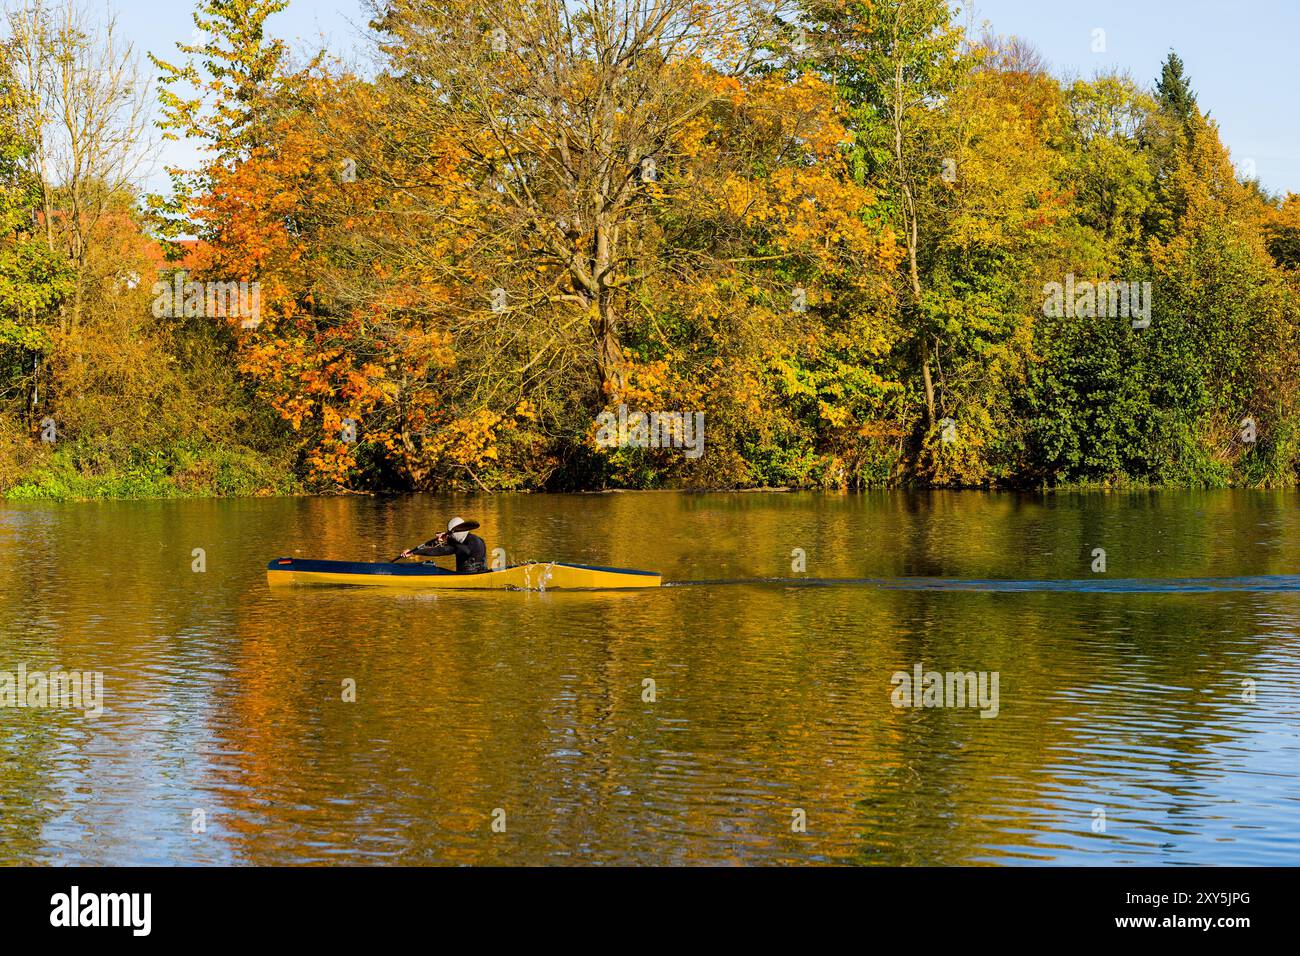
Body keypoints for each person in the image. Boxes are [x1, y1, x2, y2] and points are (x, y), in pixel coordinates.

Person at [401, 517, 488, 573]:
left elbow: (464, 551)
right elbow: (438, 550)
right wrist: (414, 552)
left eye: (451, 534)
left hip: (474, 576)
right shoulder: (460, 544)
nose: (450, 536)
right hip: (464, 575)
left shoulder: (476, 541)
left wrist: (448, 539)